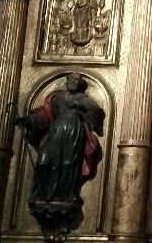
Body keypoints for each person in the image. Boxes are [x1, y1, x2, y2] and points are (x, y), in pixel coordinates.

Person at [18, 72, 105, 203]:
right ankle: (42, 193)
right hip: (55, 131)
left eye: (77, 80)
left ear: (80, 84)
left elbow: (96, 113)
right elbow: (44, 113)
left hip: (73, 131)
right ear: (66, 81)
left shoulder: (83, 99)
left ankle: (66, 195)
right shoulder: (57, 98)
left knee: (67, 164)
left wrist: (81, 108)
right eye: (71, 80)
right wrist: (30, 120)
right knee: (43, 161)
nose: (73, 82)